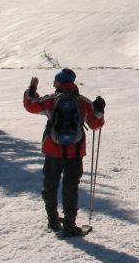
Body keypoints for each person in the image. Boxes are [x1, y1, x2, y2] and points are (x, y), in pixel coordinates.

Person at [23, 68, 105, 237]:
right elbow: (96, 125)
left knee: (50, 186)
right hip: (75, 153)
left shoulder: (51, 100)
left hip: (53, 151)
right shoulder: (83, 102)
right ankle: (69, 225)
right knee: (71, 188)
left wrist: (31, 89)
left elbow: (30, 105)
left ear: (58, 83)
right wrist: (99, 110)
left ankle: (53, 221)